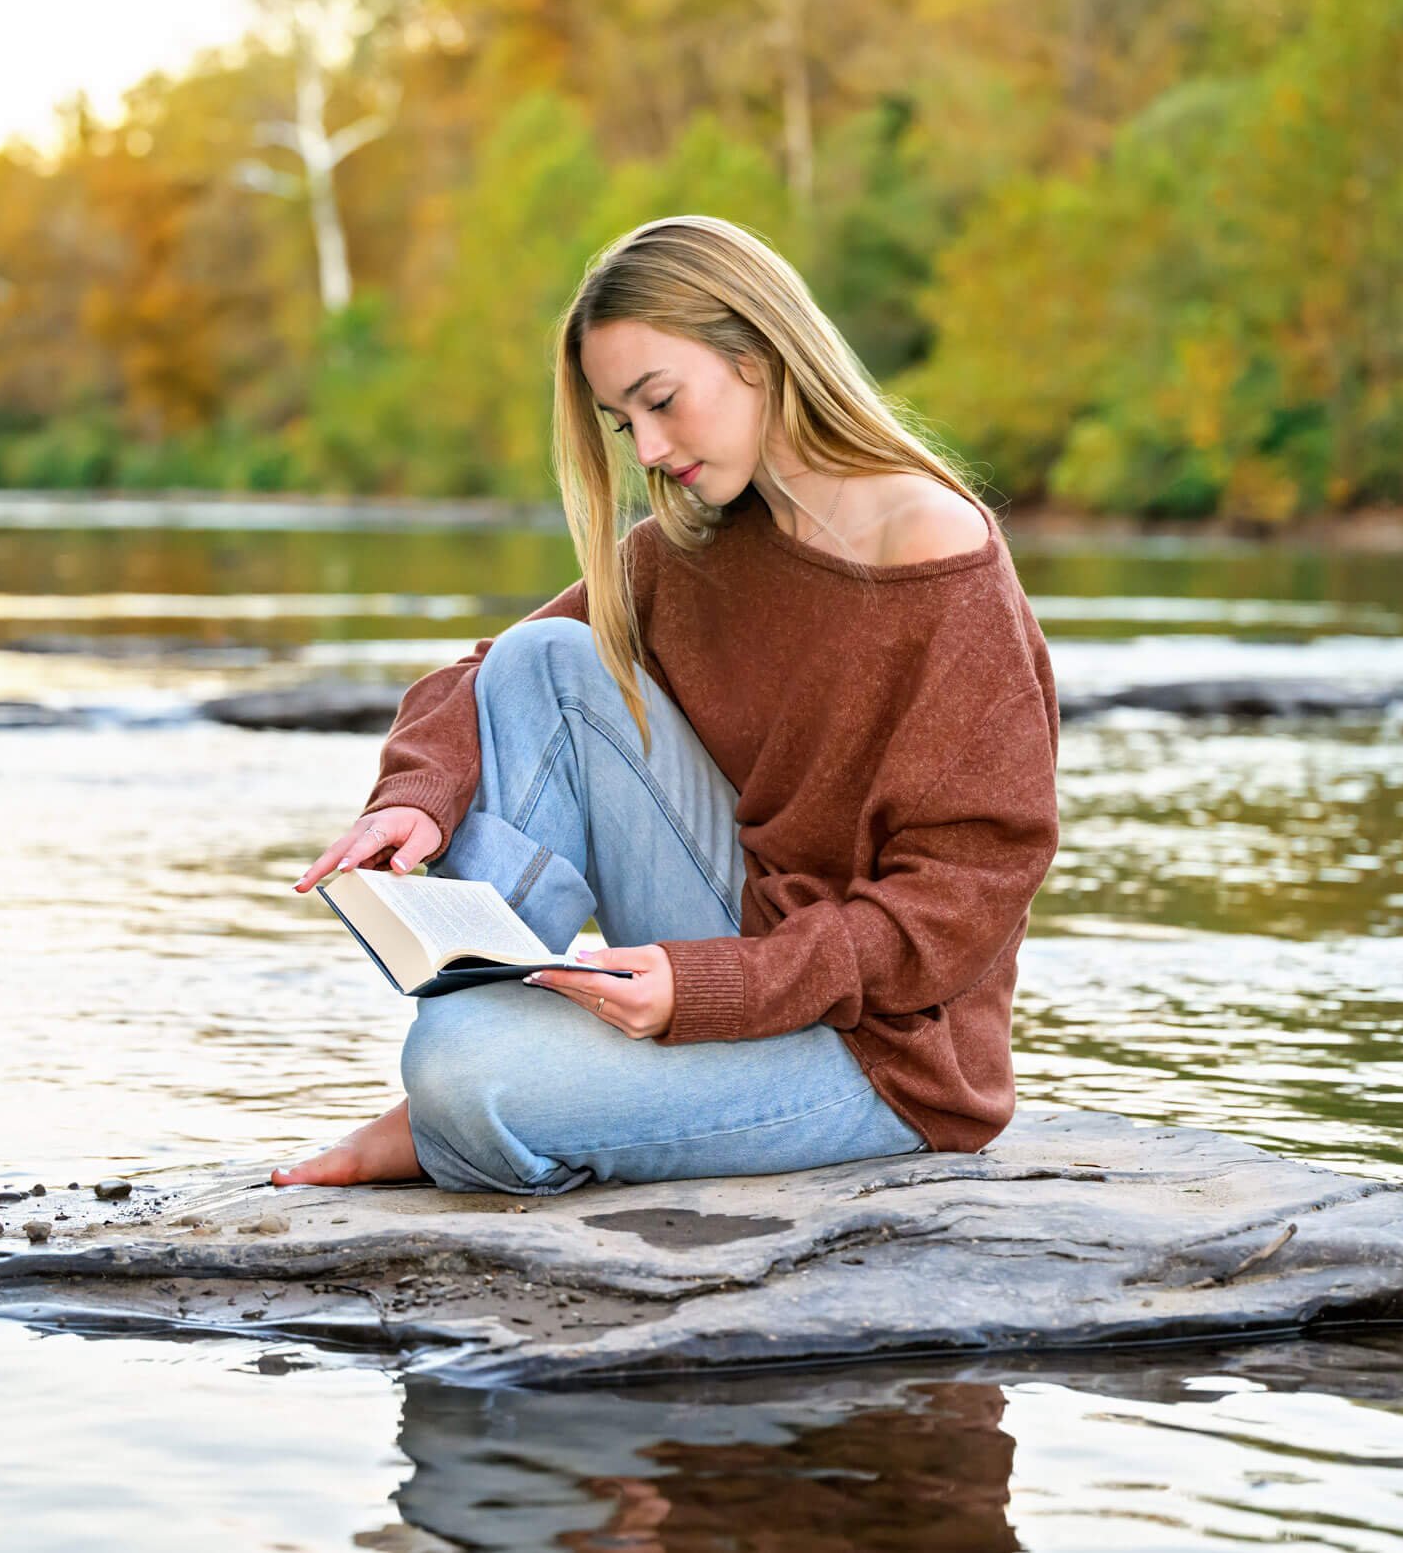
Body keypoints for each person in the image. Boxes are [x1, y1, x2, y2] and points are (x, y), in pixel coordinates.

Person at [269, 214, 1059, 1195]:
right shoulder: (701, 547)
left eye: (660, 401)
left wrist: (710, 986)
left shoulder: (934, 554)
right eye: (621, 422)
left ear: (759, 352)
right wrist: (417, 795)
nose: (646, 447)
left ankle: (458, 1094)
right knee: (547, 659)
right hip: (746, 947)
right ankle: (473, 1003)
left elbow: (960, 903)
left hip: (880, 1057)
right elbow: (486, 672)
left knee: (463, 1080)